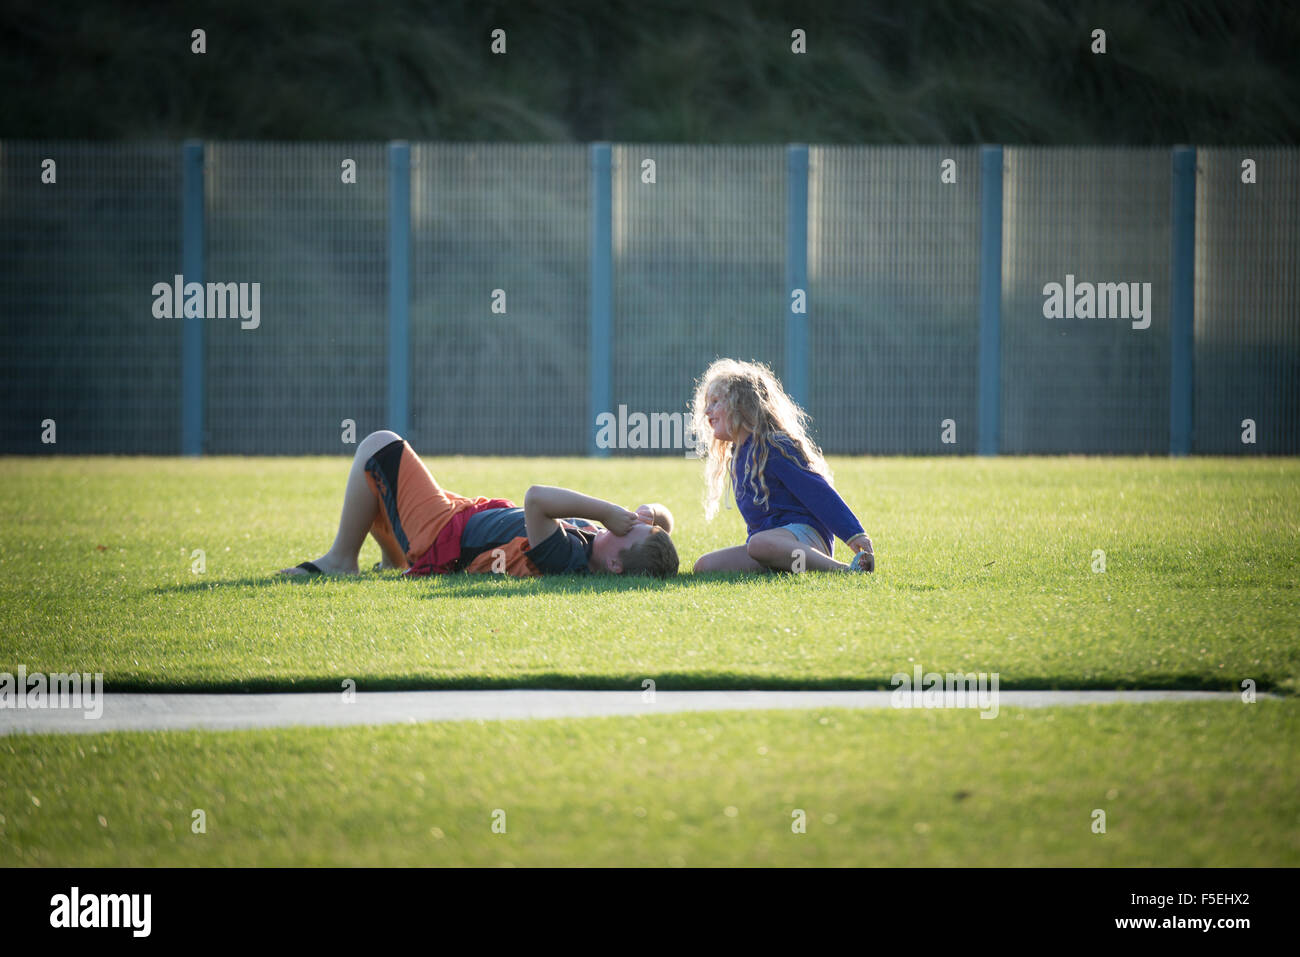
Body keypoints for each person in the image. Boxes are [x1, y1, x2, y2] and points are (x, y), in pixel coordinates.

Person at [279, 431, 678, 579]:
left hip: (440, 533)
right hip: (458, 514)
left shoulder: (567, 557)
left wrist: (606, 512)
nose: (624, 521)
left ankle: (340, 561)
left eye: (629, 530)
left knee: (379, 446)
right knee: (385, 484)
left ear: (614, 565)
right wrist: (652, 517)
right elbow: (663, 522)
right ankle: (390, 559)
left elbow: (536, 497)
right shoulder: (601, 546)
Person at [689, 359, 874, 574]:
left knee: (758, 544)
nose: (707, 411)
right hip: (768, 547)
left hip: (806, 540)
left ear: (741, 404)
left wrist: (853, 533)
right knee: (704, 566)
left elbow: (818, 492)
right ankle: (779, 567)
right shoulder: (738, 454)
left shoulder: (773, 446)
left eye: (715, 402)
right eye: (707, 404)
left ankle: (842, 571)